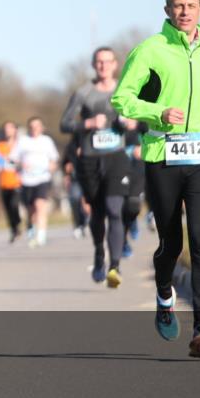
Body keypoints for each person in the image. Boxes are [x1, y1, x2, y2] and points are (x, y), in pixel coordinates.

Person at [112, 0, 200, 358]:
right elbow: (122, 98)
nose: (184, 11)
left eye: (191, 5)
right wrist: (157, 111)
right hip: (162, 155)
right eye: (177, 5)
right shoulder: (150, 50)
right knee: (171, 242)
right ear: (167, 9)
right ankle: (164, 294)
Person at [61, 47, 133, 287]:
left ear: (115, 64)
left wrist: (131, 122)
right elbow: (65, 124)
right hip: (90, 160)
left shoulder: (126, 89)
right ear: (94, 65)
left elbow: (142, 117)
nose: (103, 66)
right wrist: (88, 123)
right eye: (99, 62)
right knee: (98, 212)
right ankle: (99, 254)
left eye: (107, 62)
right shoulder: (83, 93)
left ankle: (115, 267)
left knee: (115, 209)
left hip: (117, 157)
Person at [10, 117, 59, 248]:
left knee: (40, 205)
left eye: (37, 126)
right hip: (26, 180)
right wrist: (20, 164)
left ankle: (41, 236)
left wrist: (52, 167)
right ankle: (31, 226)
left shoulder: (47, 141)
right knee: (31, 210)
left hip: (43, 178)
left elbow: (54, 160)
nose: (34, 129)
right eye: (32, 126)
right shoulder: (23, 141)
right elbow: (12, 159)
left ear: (42, 127)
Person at [121, 120, 147, 259]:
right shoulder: (117, 129)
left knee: (133, 206)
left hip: (138, 172)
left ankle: (132, 221)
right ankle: (123, 243)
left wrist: (142, 149)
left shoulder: (144, 127)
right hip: (119, 173)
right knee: (119, 210)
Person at [0, 122, 24, 243]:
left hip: (18, 182)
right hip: (3, 182)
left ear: (15, 130)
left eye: (9, 128)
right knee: (7, 208)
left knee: (14, 205)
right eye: (5, 129)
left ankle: (18, 223)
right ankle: (14, 230)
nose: (7, 131)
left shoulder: (21, 145)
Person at [62, 136, 89, 239]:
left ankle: (86, 222)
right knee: (75, 200)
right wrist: (66, 172)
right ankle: (78, 225)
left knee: (87, 203)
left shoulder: (92, 140)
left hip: (90, 177)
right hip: (75, 179)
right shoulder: (71, 146)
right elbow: (65, 162)